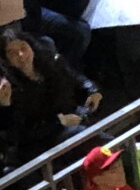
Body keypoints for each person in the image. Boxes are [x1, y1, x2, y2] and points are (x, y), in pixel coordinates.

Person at [0, 27, 100, 162]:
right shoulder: (9, 89)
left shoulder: (51, 61)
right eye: (12, 53)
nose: (21, 55)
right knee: (86, 136)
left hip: (72, 120)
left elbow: (76, 78)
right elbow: (22, 131)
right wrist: (60, 122)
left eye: (23, 47)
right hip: (43, 141)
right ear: (6, 60)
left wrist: (92, 91)